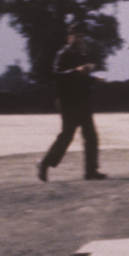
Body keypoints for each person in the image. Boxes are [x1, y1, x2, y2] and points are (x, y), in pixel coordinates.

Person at [38, 24, 104, 181]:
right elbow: (56, 75)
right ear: (69, 37)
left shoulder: (82, 55)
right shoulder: (62, 54)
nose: (79, 39)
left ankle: (91, 171)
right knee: (67, 136)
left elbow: (82, 77)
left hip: (83, 101)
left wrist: (94, 79)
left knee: (91, 136)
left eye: (81, 36)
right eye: (76, 36)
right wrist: (76, 71)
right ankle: (44, 163)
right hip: (68, 102)